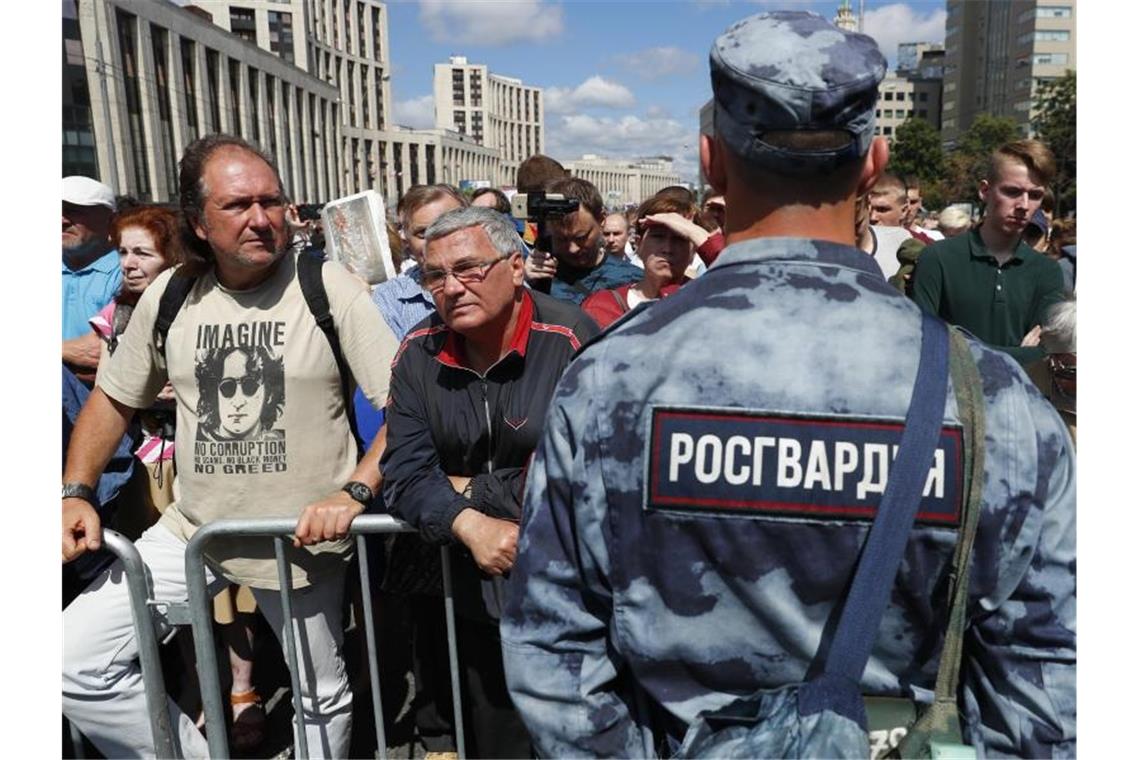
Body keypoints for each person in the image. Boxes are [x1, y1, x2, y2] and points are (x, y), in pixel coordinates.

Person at [502, 10, 1075, 759]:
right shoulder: (990, 398)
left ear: (712, 161)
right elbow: (1049, 679)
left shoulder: (611, 379)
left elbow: (553, 657)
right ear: (875, 162)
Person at [62, 134, 399, 758]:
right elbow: (113, 398)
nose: (261, 218)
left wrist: (354, 492)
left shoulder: (327, 287)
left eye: (271, 201)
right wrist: (74, 491)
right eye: (239, 204)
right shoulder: (170, 294)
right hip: (193, 532)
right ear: (198, 220)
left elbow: (404, 411)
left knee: (320, 698)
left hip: (297, 540)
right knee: (70, 661)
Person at [381, 206, 599, 758]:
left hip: (570, 597)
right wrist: (468, 523)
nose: (452, 288)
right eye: (435, 276)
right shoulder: (416, 353)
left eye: (471, 269)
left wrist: (471, 491)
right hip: (471, 594)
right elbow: (404, 473)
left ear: (516, 267)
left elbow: (585, 471)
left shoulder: (574, 338)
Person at [911, 139, 1065, 365]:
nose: (1023, 205)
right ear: (985, 190)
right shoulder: (937, 258)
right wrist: (1016, 354)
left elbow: (1047, 354)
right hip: (951, 397)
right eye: (1012, 191)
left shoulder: (1047, 271)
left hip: (1021, 398)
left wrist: (961, 343)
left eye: (1035, 195)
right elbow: (925, 344)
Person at [582, 192, 701, 328]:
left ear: (694, 248)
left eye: (680, 238)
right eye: (658, 237)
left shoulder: (708, 300)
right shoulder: (603, 306)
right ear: (638, 244)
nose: (667, 249)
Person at [522, 176, 642, 304]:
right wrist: (523, 284)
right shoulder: (537, 278)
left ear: (601, 220)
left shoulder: (632, 280)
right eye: (561, 239)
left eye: (581, 238)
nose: (572, 249)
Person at [63, 176, 122, 382]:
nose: (62, 219)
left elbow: (105, 354)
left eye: (74, 210)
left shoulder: (129, 272)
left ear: (110, 220)